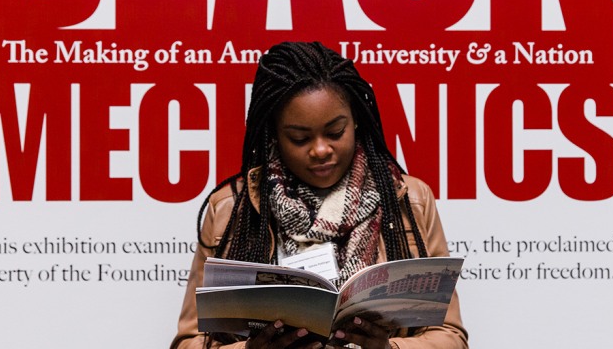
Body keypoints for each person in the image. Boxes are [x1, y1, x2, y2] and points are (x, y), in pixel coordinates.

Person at [171, 42, 468, 349]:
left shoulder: (410, 199)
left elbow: (451, 338)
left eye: (335, 132)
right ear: (275, 134)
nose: (321, 150)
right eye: (299, 138)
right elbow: (188, 343)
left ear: (355, 121)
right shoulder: (230, 208)